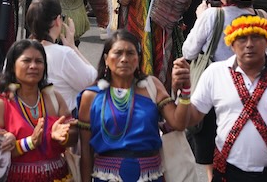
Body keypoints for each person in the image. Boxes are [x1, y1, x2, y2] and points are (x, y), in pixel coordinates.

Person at [178, 15, 267, 181]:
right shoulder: (215, 72)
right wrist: (183, 90)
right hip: (228, 173)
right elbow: (191, 118)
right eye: (242, 38)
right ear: (231, 44)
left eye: (257, 37)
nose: (249, 44)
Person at [77, 31, 193, 182]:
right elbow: (86, 151)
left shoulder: (152, 86)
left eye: (130, 53)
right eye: (118, 53)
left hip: (150, 176)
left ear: (138, 59)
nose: (124, 59)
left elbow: (178, 123)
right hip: (107, 177)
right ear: (106, 59)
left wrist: (185, 91)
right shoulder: (91, 96)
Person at [0, 40, 76, 181]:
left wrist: (65, 136)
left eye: (39, 61)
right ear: (13, 65)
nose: (33, 66)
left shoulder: (54, 97)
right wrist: (29, 142)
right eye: (26, 61)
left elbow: (74, 135)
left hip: (58, 175)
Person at [25, 0, 96, 113]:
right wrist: (72, 47)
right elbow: (93, 81)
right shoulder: (64, 54)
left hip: (25, 121)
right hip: (59, 124)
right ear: (58, 21)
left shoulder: (17, 52)